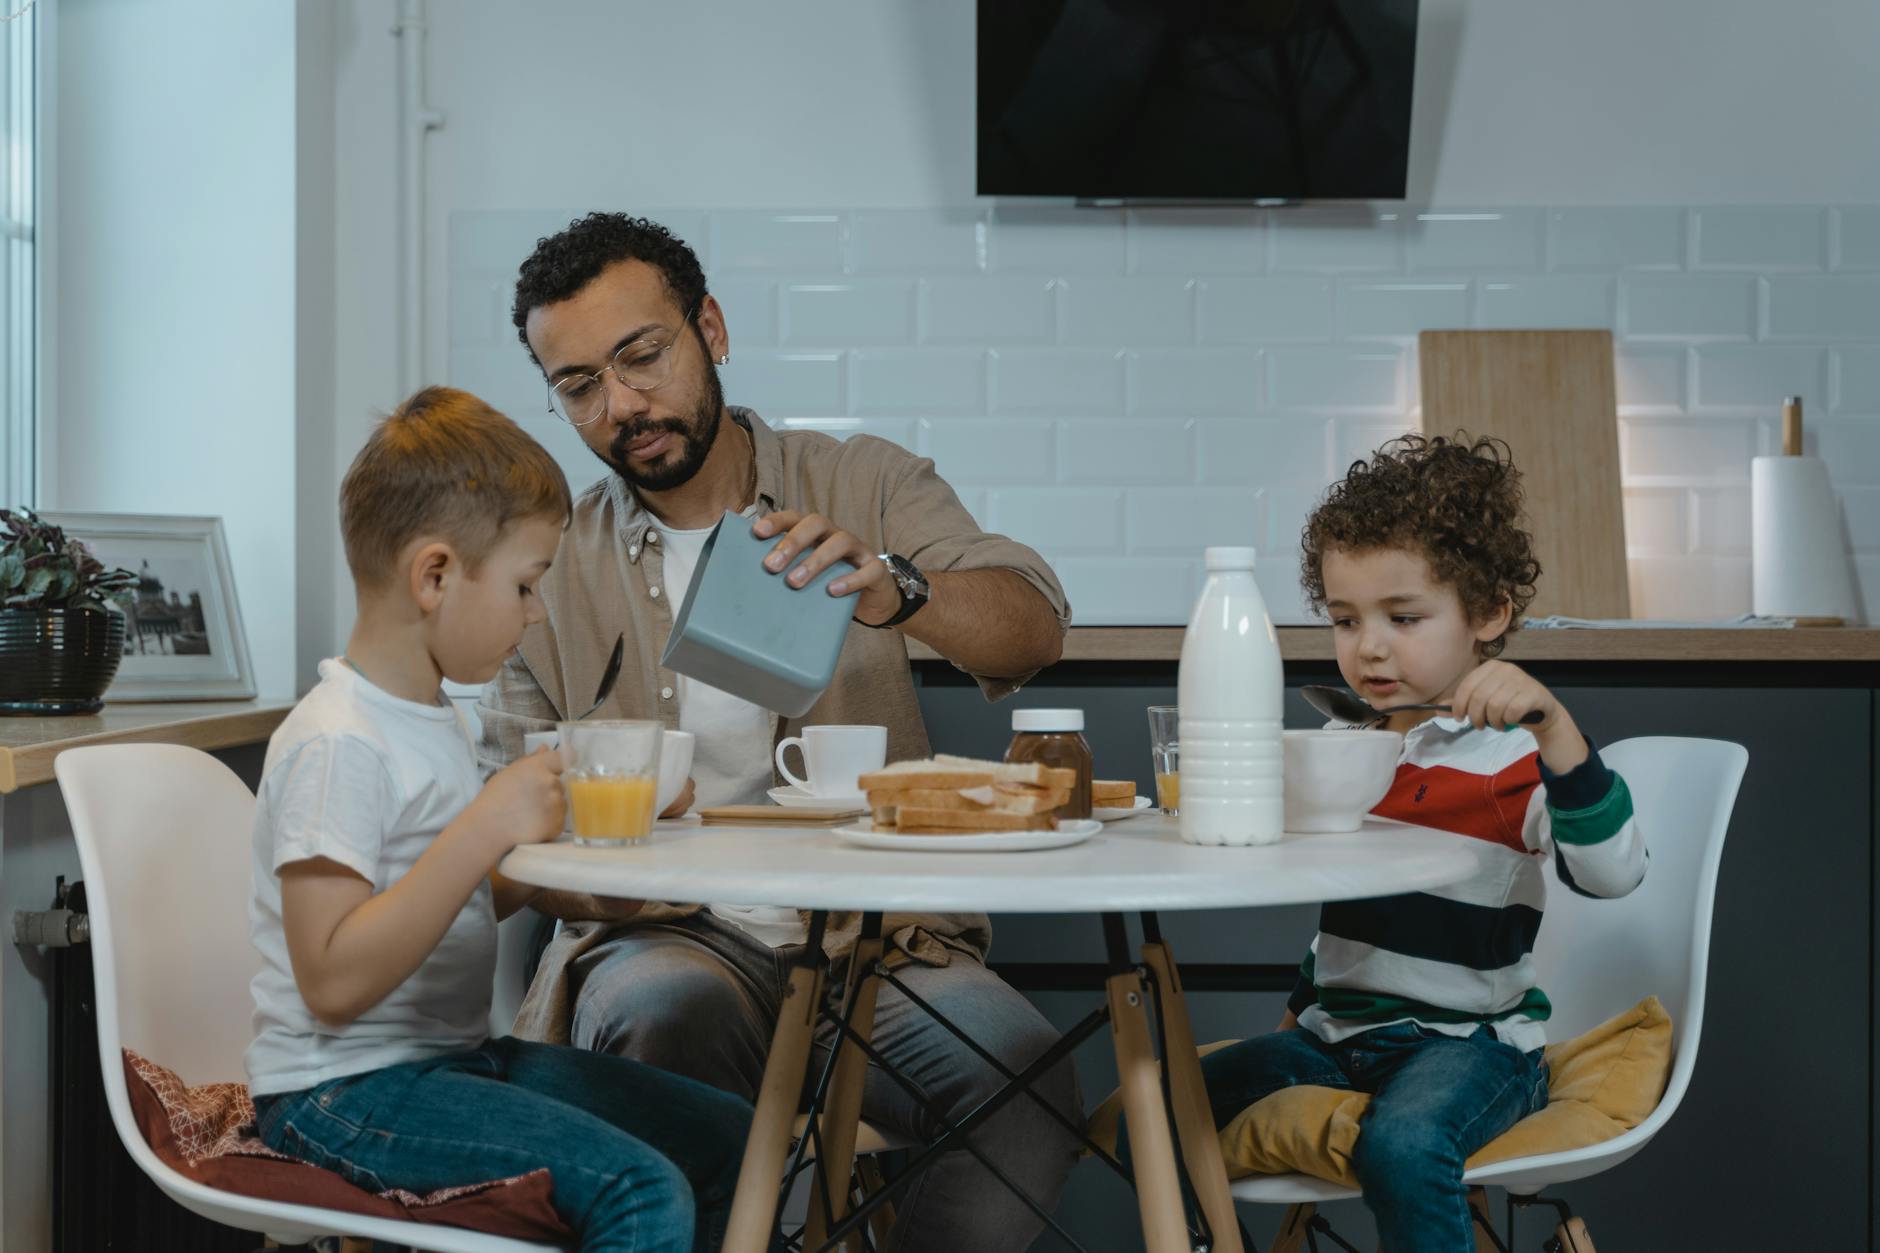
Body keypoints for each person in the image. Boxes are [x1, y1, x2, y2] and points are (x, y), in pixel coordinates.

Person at [477, 212, 1083, 1252]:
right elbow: (499, 824)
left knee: (1025, 1078)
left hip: (878, 941)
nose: (622, 404)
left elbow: (1028, 627)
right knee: (658, 1011)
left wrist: (895, 586)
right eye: (578, 385)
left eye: (642, 355)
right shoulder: (549, 557)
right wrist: (584, 879)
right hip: (659, 937)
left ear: (708, 328)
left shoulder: (862, 483)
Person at [245, 387, 751, 1253]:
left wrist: (578, 888)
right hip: (337, 1092)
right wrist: (484, 826)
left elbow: (441, 898)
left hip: (445, 1062)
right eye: (525, 584)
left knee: (734, 1139)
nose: (537, 613)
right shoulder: (340, 742)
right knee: (640, 1189)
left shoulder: (436, 716)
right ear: (435, 575)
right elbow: (331, 980)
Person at [1150, 433, 1648, 1251]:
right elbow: (1344, 924)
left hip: (1468, 1049)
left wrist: (1556, 728)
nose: (1368, 646)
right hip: (1336, 1039)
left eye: (1403, 617)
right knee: (1157, 1106)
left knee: (1405, 1145)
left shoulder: (1514, 763)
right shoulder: (1357, 752)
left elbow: (1615, 872)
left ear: (1488, 614)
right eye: (1346, 620)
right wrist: (1293, 1020)